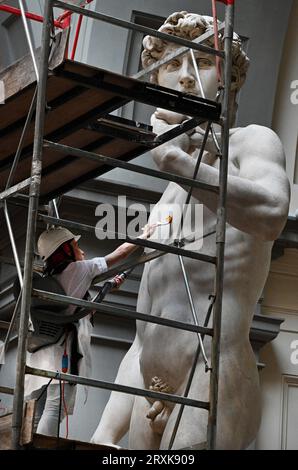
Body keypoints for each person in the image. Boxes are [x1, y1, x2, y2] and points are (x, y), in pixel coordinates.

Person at [91, 12, 290, 449]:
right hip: (149, 388)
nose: (184, 78)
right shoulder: (167, 199)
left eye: (200, 64)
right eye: (172, 65)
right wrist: (107, 430)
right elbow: (144, 337)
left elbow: (272, 213)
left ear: (226, 79)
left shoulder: (252, 142)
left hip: (211, 376)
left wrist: (180, 164)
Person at [25, 223, 156, 436]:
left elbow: (80, 312)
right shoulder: (79, 269)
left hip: (39, 351)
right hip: (61, 352)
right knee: (55, 407)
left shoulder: (48, 280)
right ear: (65, 250)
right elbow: (120, 253)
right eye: (75, 245)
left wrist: (109, 286)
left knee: (36, 410)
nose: (81, 250)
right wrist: (144, 235)